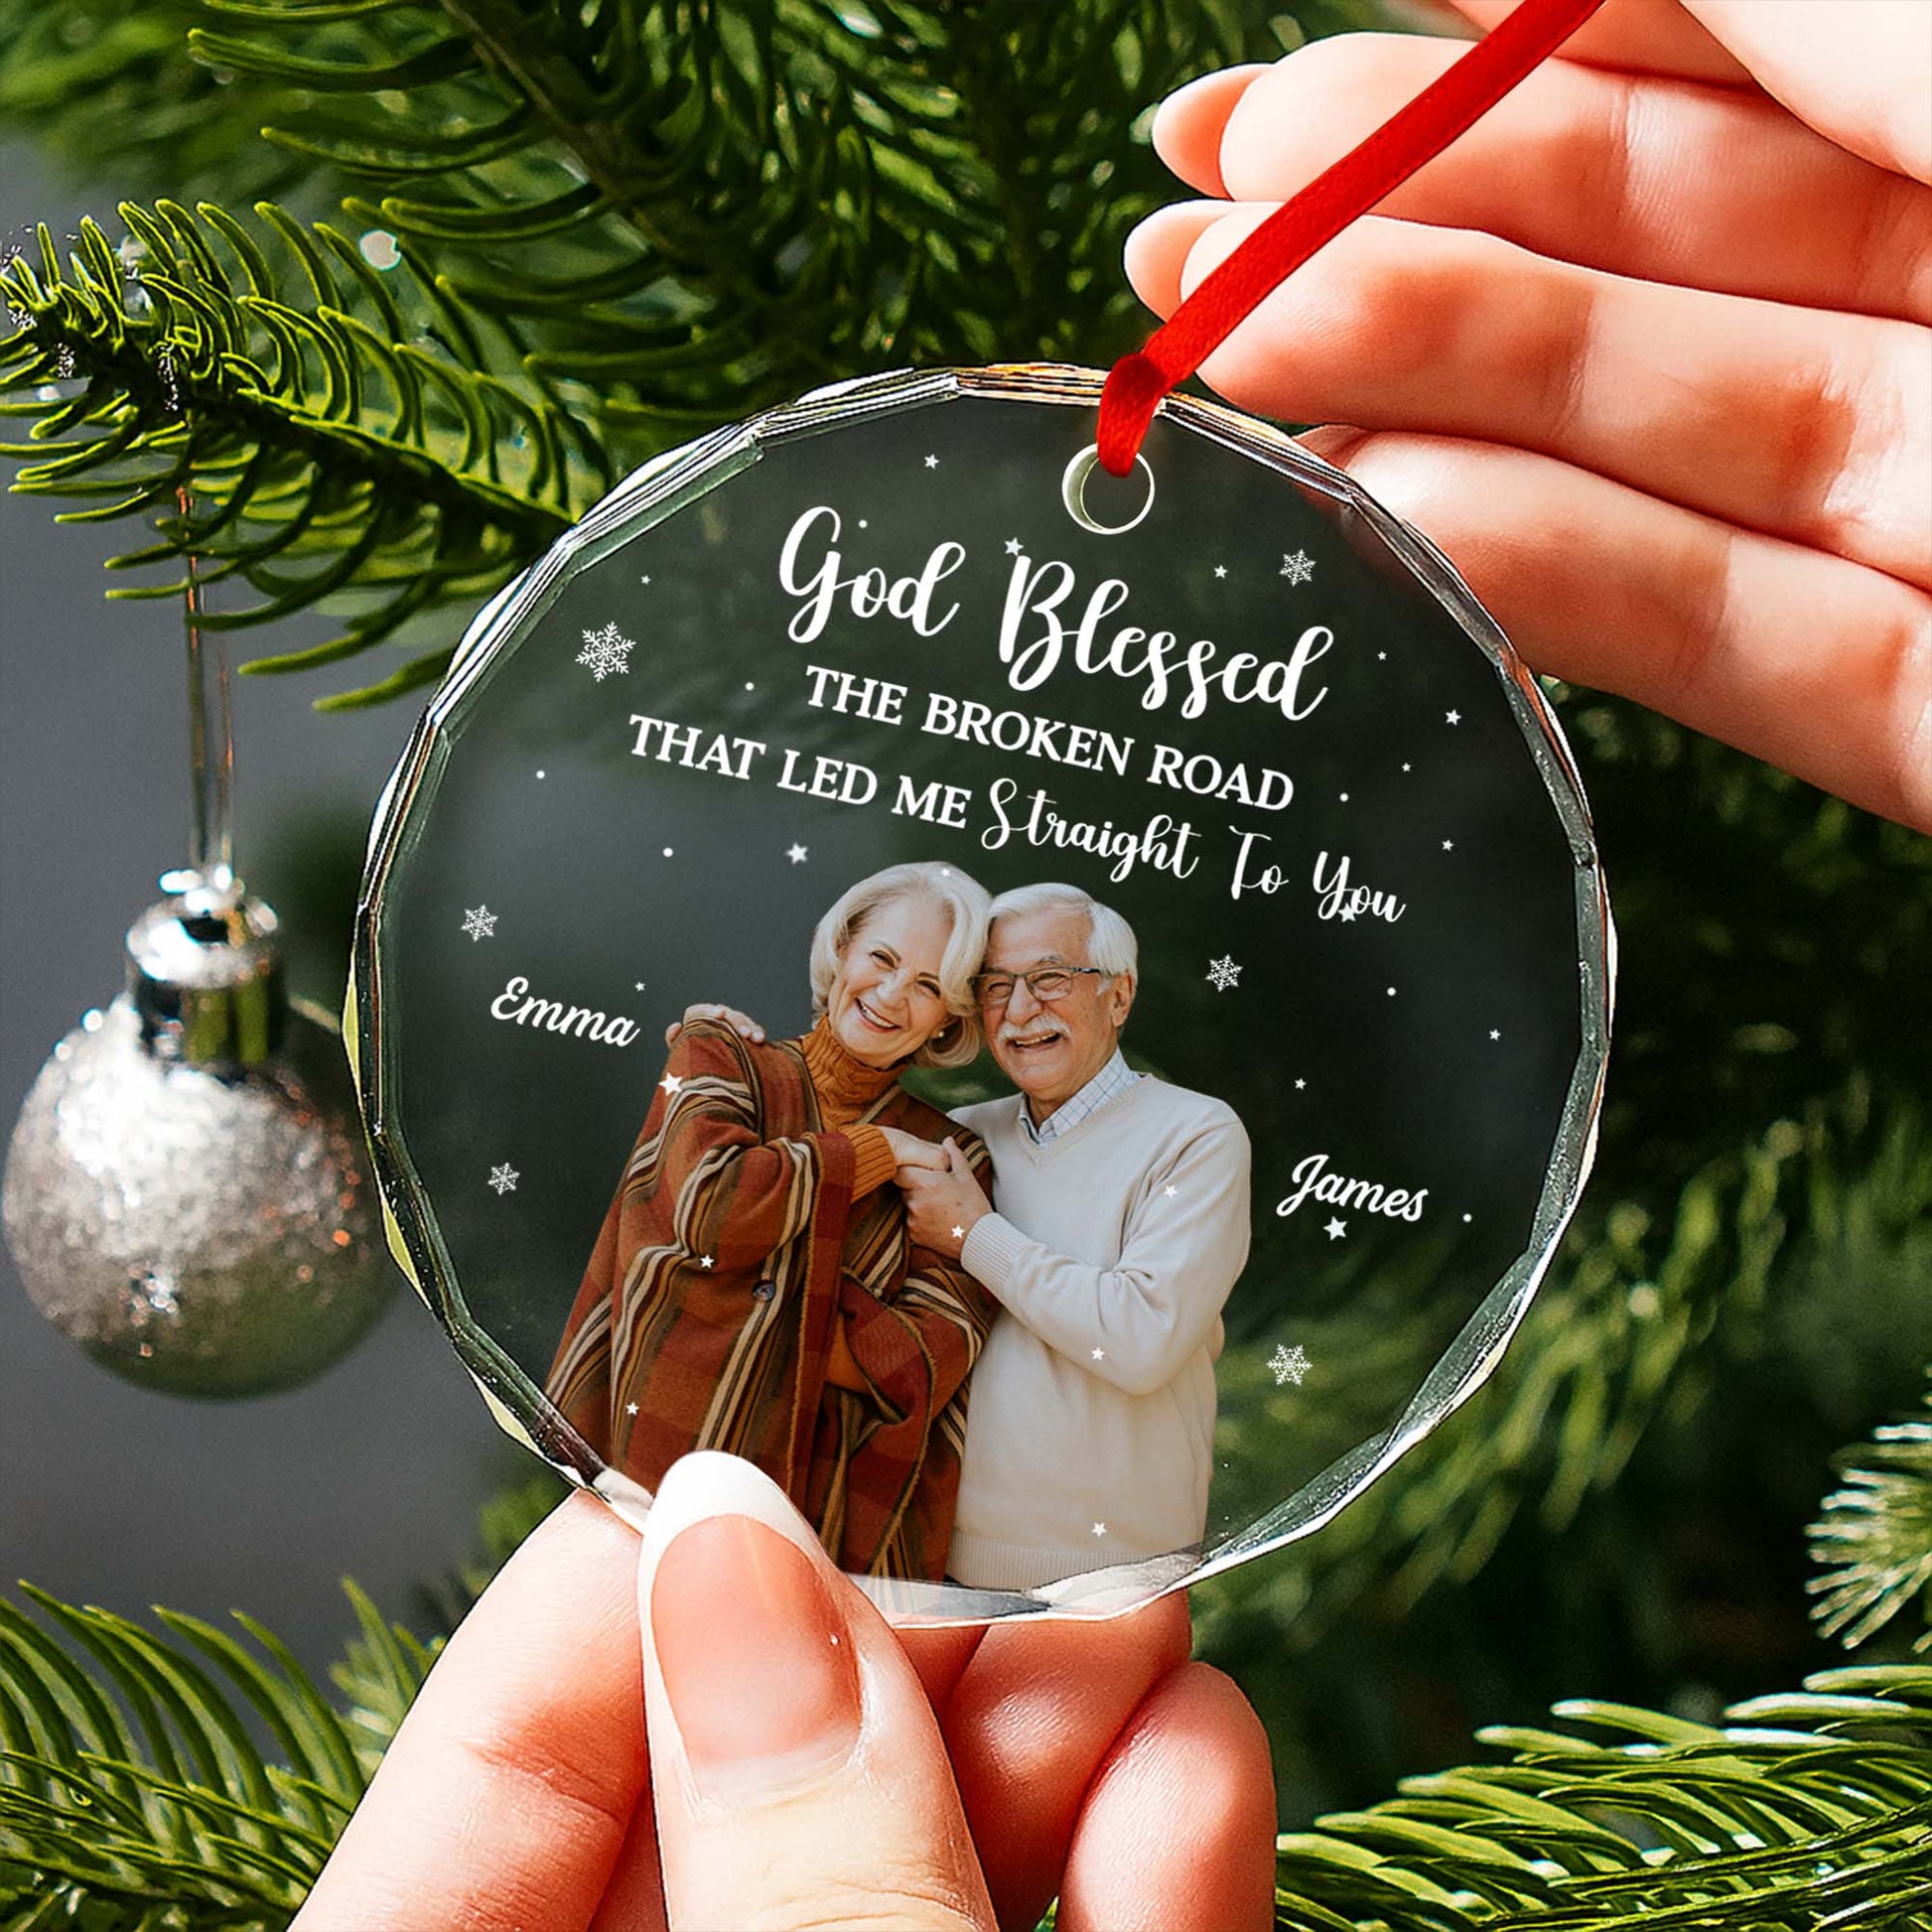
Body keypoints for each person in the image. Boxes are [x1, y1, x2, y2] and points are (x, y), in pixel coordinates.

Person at [295, 5, 1927, 1924]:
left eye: (990, 985)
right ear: (841, 956)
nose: (960, 1008)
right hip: (788, 1505)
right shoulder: (738, 1060)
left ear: (1113, 1002)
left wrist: (936, 1243)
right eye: (932, 979)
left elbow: (988, 1349)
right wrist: (899, 1212)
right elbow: (722, 1232)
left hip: (1057, 1567)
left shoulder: (1121, 1143)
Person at [544, 862, 1001, 1582]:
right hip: (646, 1483)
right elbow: (712, 1212)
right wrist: (873, 1154)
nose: (889, 996)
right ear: (844, 947)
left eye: (928, 987)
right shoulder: (716, 1054)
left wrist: (743, 1293)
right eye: (881, 959)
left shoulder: (954, 1158)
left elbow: (926, 1360)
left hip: (822, 1536)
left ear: (950, 1016)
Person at [899, 885, 1253, 1590]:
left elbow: (1140, 1339)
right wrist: (727, 1046)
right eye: (995, 985)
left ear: (1118, 997)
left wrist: (975, 1234)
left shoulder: (1196, 1134)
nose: (1020, 1009)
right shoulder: (963, 1136)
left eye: (1050, 978)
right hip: (938, 1568)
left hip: (1117, 1583)